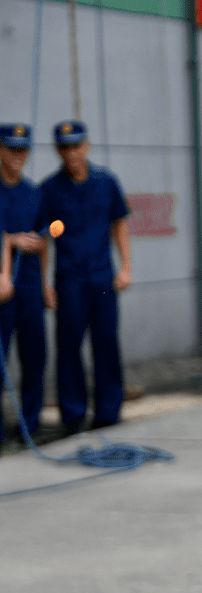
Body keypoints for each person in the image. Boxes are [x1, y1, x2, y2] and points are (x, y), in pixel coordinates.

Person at [36, 120, 131, 434]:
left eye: (76, 146)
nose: (71, 153)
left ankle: (108, 411)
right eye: (64, 147)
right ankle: (73, 415)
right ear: (58, 151)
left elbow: (120, 223)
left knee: (106, 342)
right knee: (68, 347)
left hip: (103, 278)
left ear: (86, 146)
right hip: (70, 280)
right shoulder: (50, 190)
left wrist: (126, 267)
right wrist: (45, 284)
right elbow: (43, 239)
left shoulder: (106, 181)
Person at [0, 123, 53, 445]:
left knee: (35, 358)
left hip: (30, 286)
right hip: (2, 291)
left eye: (23, 149)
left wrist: (45, 285)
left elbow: (45, 240)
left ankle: (29, 425)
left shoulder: (35, 194)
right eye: (11, 149)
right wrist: (11, 240)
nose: (18, 155)